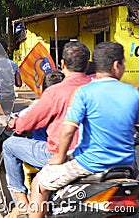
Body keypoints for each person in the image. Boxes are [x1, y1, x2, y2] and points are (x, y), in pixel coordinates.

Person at [30, 41, 139, 218]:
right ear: (115, 65)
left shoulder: (84, 92)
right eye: (123, 63)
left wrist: (59, 157)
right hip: (126, 166)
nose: (123, 67)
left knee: (39, 183)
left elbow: (67, 130)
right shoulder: (133, 93)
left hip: (89, 164)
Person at [1, 41, 91, 217]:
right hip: (98, 153)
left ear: (63, 64)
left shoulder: (55, 93)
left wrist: (14, 123)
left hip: (62, 153)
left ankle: (21, 202)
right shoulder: (98, 86)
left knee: (10, 146)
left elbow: (27, 122)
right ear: (87, 64)